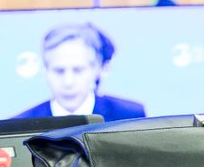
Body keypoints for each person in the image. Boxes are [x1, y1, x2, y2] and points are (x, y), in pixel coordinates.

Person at [15, 22, 146, 122]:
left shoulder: (129, 116)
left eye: (78, 70)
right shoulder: (21, 123)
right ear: (45, 71)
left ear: (97, 70)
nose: (68, 82)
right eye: (59, 71)